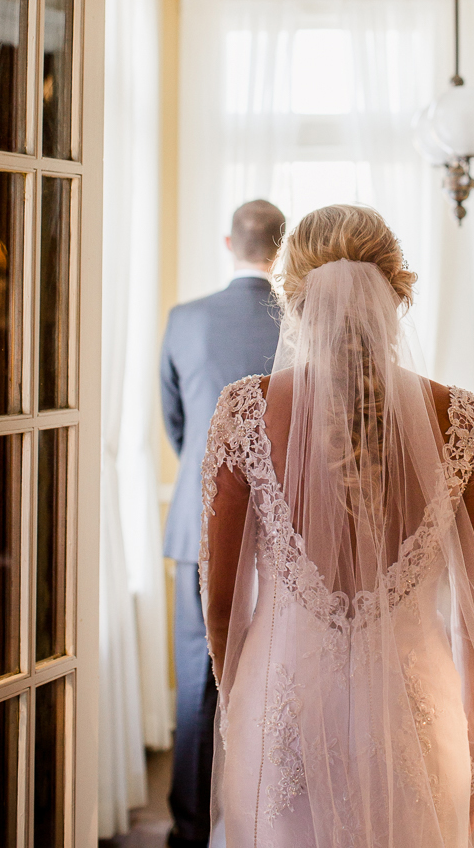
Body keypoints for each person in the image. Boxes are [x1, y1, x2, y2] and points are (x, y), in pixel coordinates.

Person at [200, 204, 474, 848]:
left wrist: (241, 712)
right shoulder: (466, 419)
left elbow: (224, 605)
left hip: (281, 720)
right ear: (398, 294)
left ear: (292, 298)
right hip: (413, 725)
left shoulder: (245, 411)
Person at [161, 199, 285, 848]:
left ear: (227, 242)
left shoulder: (185, 320)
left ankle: (187, 831)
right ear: (283, 245)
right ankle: (266, 822)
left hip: (197, 524)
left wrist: (207, 484)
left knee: (196, 689)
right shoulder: (299, 322)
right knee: (276, 676)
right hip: (285, 531)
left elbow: (177, 425)